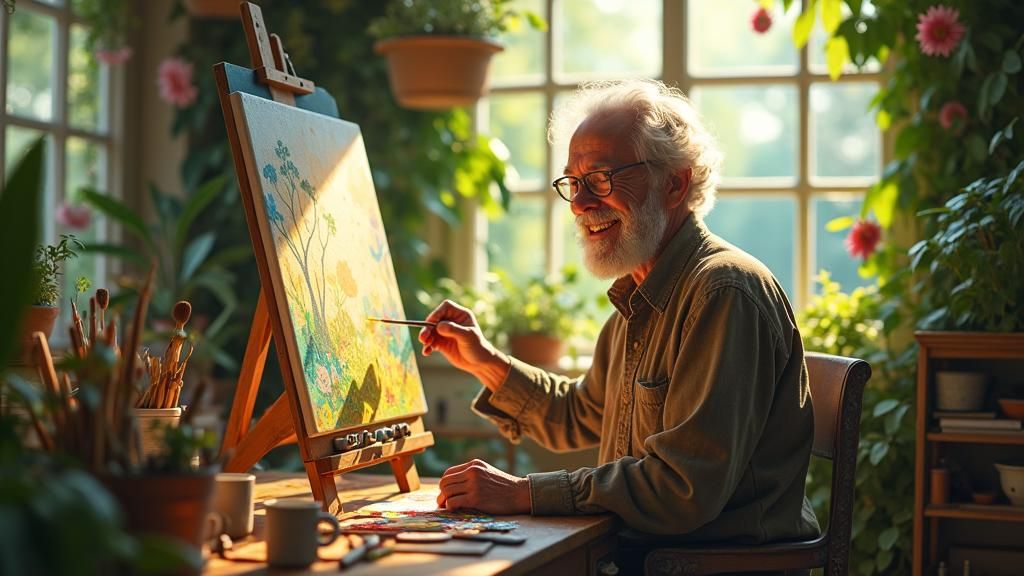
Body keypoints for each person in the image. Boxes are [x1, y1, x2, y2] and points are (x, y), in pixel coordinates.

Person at [418, 79, 820, 544]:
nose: (582, 204)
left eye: (602, 179)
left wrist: (524, 492)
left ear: (674, 183)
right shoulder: (638, 298)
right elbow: (576, 415)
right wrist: (482, 361)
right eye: (574, 182)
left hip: (702, 565)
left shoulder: (722, 291)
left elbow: (682, 489)